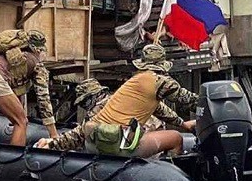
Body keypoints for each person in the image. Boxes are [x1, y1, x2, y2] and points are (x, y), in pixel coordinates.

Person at [40, 44, 197, 158]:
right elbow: (189, 100)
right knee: (176, 137)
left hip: (93, 143)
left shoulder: (135, 84)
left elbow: (160, 110)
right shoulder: (161, 81)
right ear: (163, 65)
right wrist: (205, 104)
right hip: (118, 144)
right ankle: (170, 175)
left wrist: (54, 143)